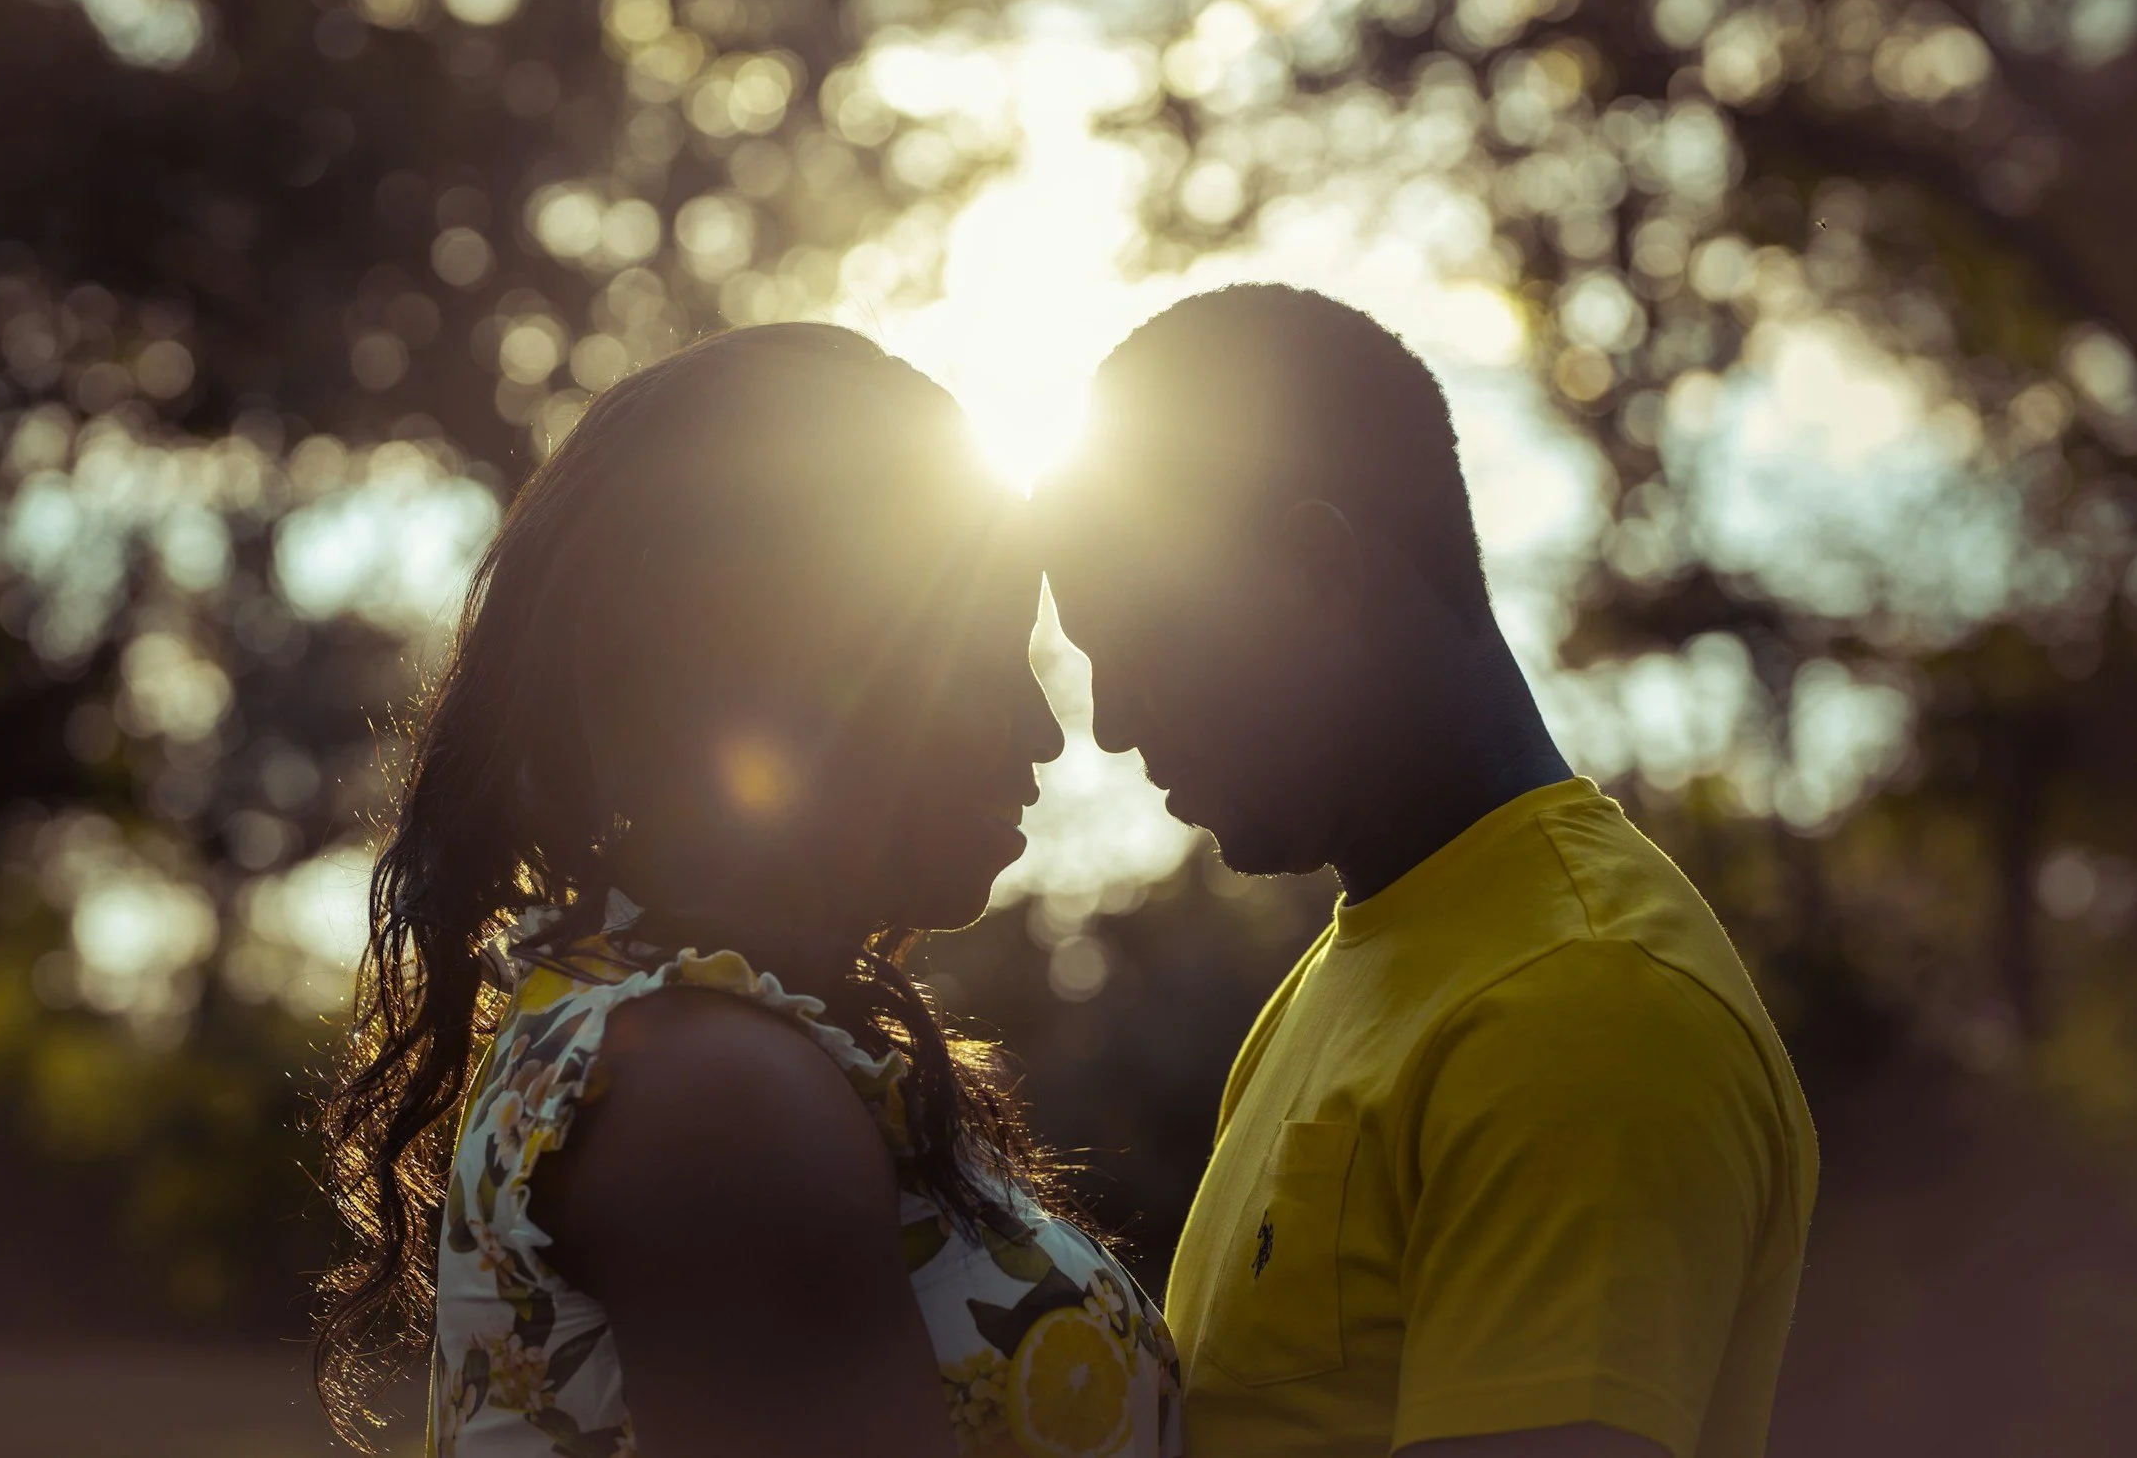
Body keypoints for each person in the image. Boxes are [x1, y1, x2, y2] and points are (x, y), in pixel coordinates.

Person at [314, 323, 1183, 1458]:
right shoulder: (714, 1093)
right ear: (791, 672)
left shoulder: (672, 1034)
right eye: (980, 661)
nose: (1042, 730)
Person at [1036, 286, 1818, 1458]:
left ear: (1315, 575)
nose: (1108, 725)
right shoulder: (1354, 967)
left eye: (1138, 648)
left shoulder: (1583, 999)